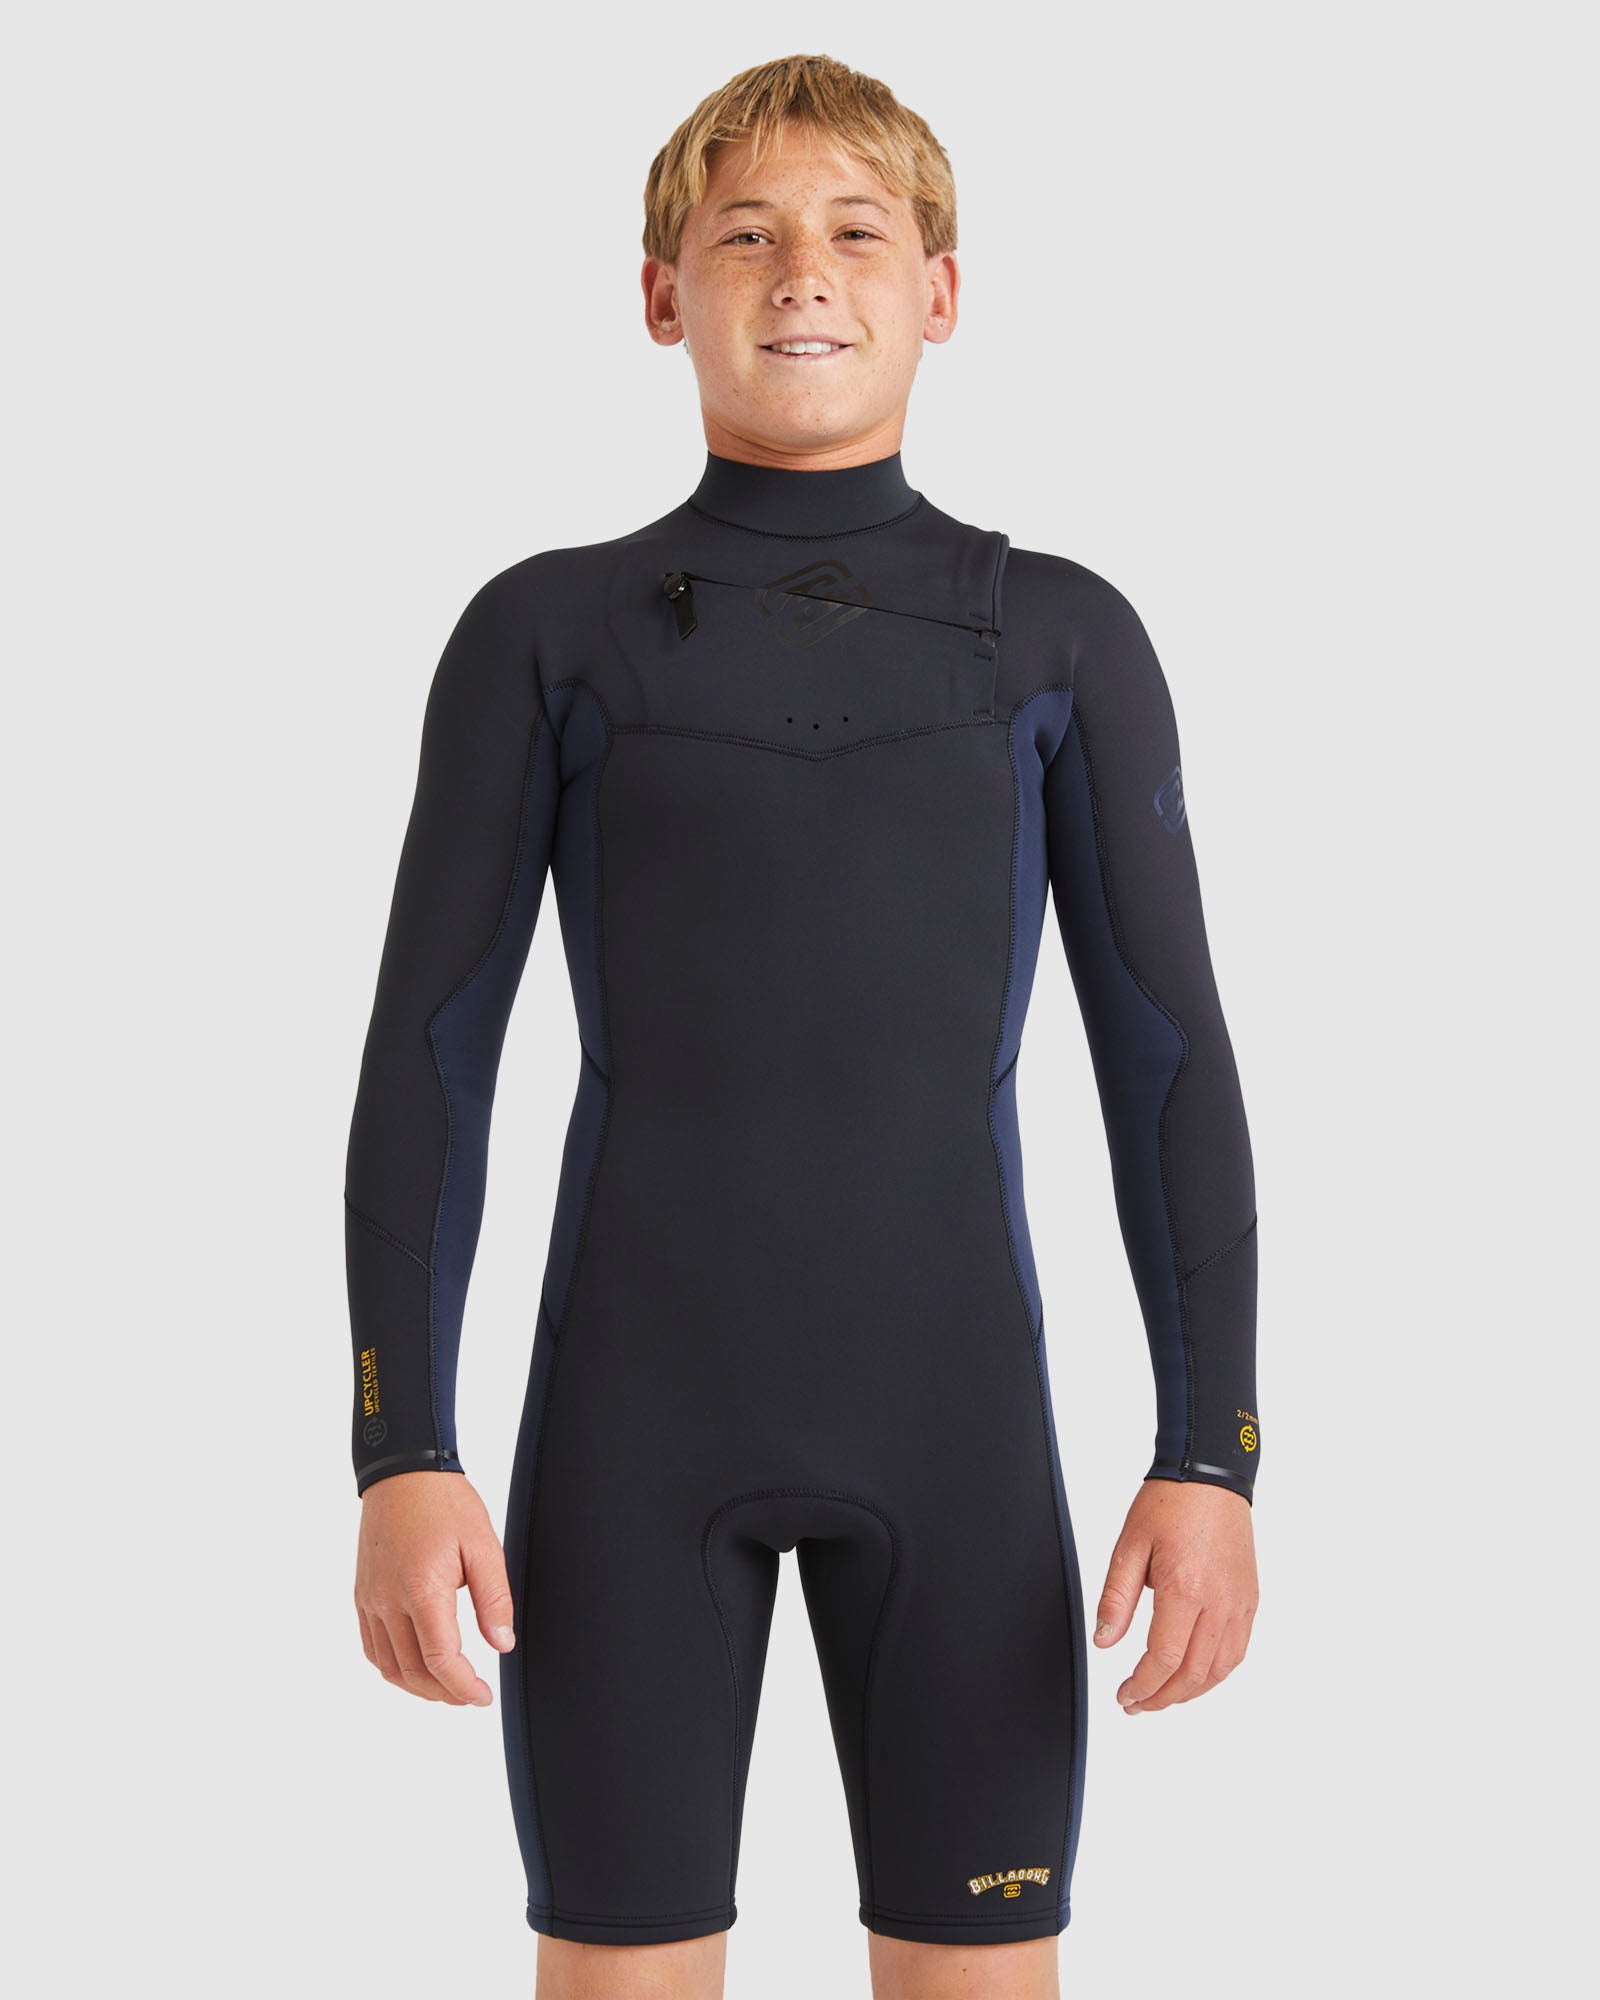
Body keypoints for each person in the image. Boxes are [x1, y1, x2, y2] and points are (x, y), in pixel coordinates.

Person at [344, 52, 1260, 2000]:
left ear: (944, 288)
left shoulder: (1060, 638)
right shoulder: (546, 635)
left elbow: (1167, 1064)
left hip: (960, 1445)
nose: (802, 273)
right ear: (658, 292)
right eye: (741, 234)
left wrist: (1212, 1458)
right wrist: (399, 1448)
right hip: (626, 1437)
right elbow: (427, 1058)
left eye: (857, 230)